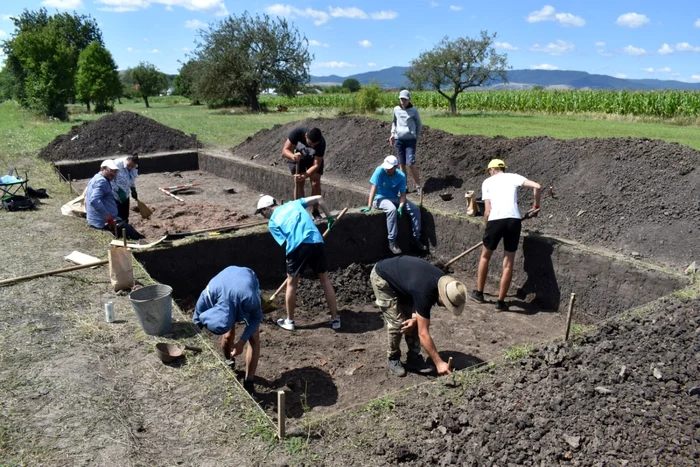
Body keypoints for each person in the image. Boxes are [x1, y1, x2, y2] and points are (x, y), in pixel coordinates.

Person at [255, 194, 341, 331]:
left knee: (292, 283)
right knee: (324, 279)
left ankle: (290, 321)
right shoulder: (294, 204)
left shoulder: (272, 223)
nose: (263, 216)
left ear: (266, 209)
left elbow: (286, 242)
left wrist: (292, 264)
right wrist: (329, 217)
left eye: (261, 213)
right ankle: (335, 319)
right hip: (317, 241)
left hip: (297, 247)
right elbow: (319, 197)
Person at [371, 255, 466, 377]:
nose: (445, 307)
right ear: (442, 295)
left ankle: (414, 358)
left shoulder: (441, 282)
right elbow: (423, 333)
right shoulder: (425, 292)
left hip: (405, 281)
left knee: (415, 322)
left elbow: (417, 297)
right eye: (446, 304)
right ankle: (393, 357)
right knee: (397, 324)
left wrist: (414, 318)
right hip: (382, 277)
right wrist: (439, 363)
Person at [469, 159, 541, 311]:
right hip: (514, 221)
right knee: (508, 263)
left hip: (495, 221)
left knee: (485, 257)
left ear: (492, 169)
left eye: (489, 170)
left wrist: (487, 228)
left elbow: (487, 211)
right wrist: (536, 206)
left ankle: (479, 294)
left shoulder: (487, 182)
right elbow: (537, 186)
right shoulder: (513, 177)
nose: (489, 173)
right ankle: (500, 303)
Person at [193, 266, 262, 387]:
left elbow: (257, 318)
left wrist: (241, 342)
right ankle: (228, 360)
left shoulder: (249, 299)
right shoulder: (207, 297)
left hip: (245, 278)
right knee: (228, 336)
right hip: (224, 286)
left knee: (254, 337)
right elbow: (196, 322)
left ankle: (249, 381)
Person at [360, 155, 427, 255]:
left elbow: (403, 195)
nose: (386, 170)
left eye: (389, 168)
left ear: (395, 167)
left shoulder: (401, 176)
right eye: (386, 167)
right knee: (391, 210)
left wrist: (400, 207)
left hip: (395, 197)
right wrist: (369, 205)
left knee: (415, 209)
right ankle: (392, 241)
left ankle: (415, 238)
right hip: (380, 198)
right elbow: (373, 188)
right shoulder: (380, 170)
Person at [85, 160, 144, 240]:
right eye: (111, 171)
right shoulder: (102, 182)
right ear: (102, 169)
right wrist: (108, 217)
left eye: (115, 171)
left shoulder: (97, 178)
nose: (113, 174)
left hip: (100, 219)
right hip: (102, 222)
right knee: (133, 233)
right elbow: (94, 200)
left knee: (128, 228)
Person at [281, 127, 326, 221]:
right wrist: (293, 156)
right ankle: (300, 210)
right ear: (306, 136)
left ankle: (315, 211)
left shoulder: (321, 142)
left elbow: (316, 164)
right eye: (310, 144)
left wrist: (305, 176)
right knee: (299, 183)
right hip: (297, 159)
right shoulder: (297, 133)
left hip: (312, 161)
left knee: (315, 182)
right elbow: (285, 150)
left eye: (315, 145)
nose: (312, 146)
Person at [389, 90, 422, 193]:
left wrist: (415, 135)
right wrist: (392, 134)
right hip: (399, 140)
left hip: (410, 140)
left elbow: (419, 124)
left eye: (405, 99)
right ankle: (404, 186)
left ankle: (418, 186)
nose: (403, 101)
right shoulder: (396, 109)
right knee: (402, 164)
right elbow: (394, 122)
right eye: (401, 99)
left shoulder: (414, 110)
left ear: (408, 100)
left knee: (411, 164)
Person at [111, 154, 139, 223]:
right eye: (129, 165)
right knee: (117, 214)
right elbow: (110, 180)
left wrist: (133, 189)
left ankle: (126, 226)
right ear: (126, 160)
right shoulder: (115, 165)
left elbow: (131, 178)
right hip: (115, 195)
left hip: (125, 194)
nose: (130, 168)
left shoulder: (133, 167)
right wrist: (118, 191)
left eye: (132, 166)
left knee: (125, 214)